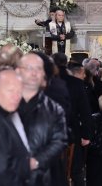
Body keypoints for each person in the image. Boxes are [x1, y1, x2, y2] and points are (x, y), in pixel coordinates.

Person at [17, 53, 68, 186]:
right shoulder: (6, 103)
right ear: (18, 71)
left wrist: (36, 161)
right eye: (29, 68)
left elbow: (60, 140)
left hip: (45, 175)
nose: (34, 73)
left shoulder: (54, 108)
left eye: (38, 69)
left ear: (44, 75)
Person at [53, 54, 93, 186]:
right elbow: (85, 112)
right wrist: (86, 135)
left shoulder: (46, 81)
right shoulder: (77, 83)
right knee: (75, 170)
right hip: (72, 133)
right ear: (66, 64)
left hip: (51, 133)